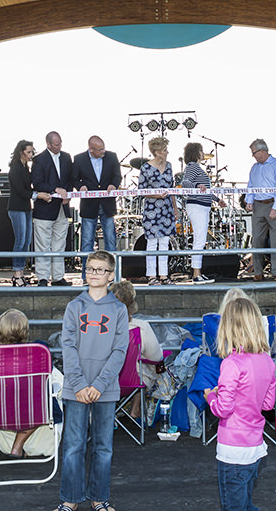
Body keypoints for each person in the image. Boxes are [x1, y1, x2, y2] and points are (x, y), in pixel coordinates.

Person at [59, 250, 130, 511]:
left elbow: (119, 351)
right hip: (75, 388)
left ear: (111, 275)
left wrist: (99, 385)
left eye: (100, 270)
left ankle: (99, 498)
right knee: (73, 447)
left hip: (105, 388)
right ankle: (70, 499)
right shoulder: (74, 307)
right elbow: (68, 347)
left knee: (104, 448)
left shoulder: (119, 310)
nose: (94, 274)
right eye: (90, 268)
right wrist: (79, 385)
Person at [207, 295, 276, 511]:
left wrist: (210, 396)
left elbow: (223, 409)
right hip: (255, 446)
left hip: (233, 448)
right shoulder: (267, 360)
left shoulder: (231, 364)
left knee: (234, 506)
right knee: (246, 503)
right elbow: (267, 404)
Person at [0, 308, 47, 459]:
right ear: (25, 330)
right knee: (43, 402)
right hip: (32, 412)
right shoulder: (38, 350)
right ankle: (17, 447)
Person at [112, 280, 165, 418]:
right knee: (146, 366)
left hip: (102, 384)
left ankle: (106, 413)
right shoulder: (141, 327)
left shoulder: (98, 328)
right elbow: (156, 357)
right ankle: (136, 408)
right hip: (131, 383)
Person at [32, 131, 74, 286]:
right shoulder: (39, 160)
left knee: (59, 243)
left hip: (62, 208)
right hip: (45, 209)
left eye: (61, 143)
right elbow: (37, 183)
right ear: (48, 144)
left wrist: (68, 194)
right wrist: (55, 189)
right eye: (56, 144)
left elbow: (70, 179)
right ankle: (42, 277)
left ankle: (57, 277)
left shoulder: (66, 157)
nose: (59, 146)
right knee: (42, 244)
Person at [244, 140, 276, 280]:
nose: (253, 156)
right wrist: (249, 201)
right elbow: (250, 186)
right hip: (258, 206)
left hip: (274, 204)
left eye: (254, 153)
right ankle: (257, 272)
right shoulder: (254, 168)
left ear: (262, 151)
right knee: (257, 240)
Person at [75, 135, 123, 254]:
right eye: (100, 149)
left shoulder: (112, 157)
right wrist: (80, 186)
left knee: (111, 240)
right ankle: (86, 272)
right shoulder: (79, 159)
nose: (103, 151)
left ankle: (112, 272)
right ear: (91, 149)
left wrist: (113, 184)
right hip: (89, 205)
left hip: (107, 204)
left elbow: (117, 176)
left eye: (103, 148)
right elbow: (73, 178)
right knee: (87, 241)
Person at [138, 136, 176, 284]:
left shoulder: (169, 166)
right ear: (158, 152)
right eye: (165, 150)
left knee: (165, 242)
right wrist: (156, 194)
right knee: (152, 243)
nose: (167, 152)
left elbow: (171, 188)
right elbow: (141, 191)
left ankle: (164, 275)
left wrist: (175, 208)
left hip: (166, 209)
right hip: (152, 209)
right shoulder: (146, 168)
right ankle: (152, 276)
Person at [179, 142, 218, 283]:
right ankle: (196, 273)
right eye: (201, 151)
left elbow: (205, 189)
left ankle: (197, 272)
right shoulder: (192, 167)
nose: (203, 153)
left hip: (203, 205)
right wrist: (196, 185)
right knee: (199, 239)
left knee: (200, 239)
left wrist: (217, 199)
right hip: (197, 206)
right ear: (197, 153)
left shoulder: (197, 168)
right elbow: (185, 183)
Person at [6, 139, 35, 285]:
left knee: (26, 242)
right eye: (28, 152)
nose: (31, 155)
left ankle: (21, 273)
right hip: (17, 207)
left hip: (26, 207)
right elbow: (20, 190)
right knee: (20, 240)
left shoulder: (25, 168)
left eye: (32, 152)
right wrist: (36, 195)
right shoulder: (15, 168)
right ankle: (17, 274)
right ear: (21, 152)